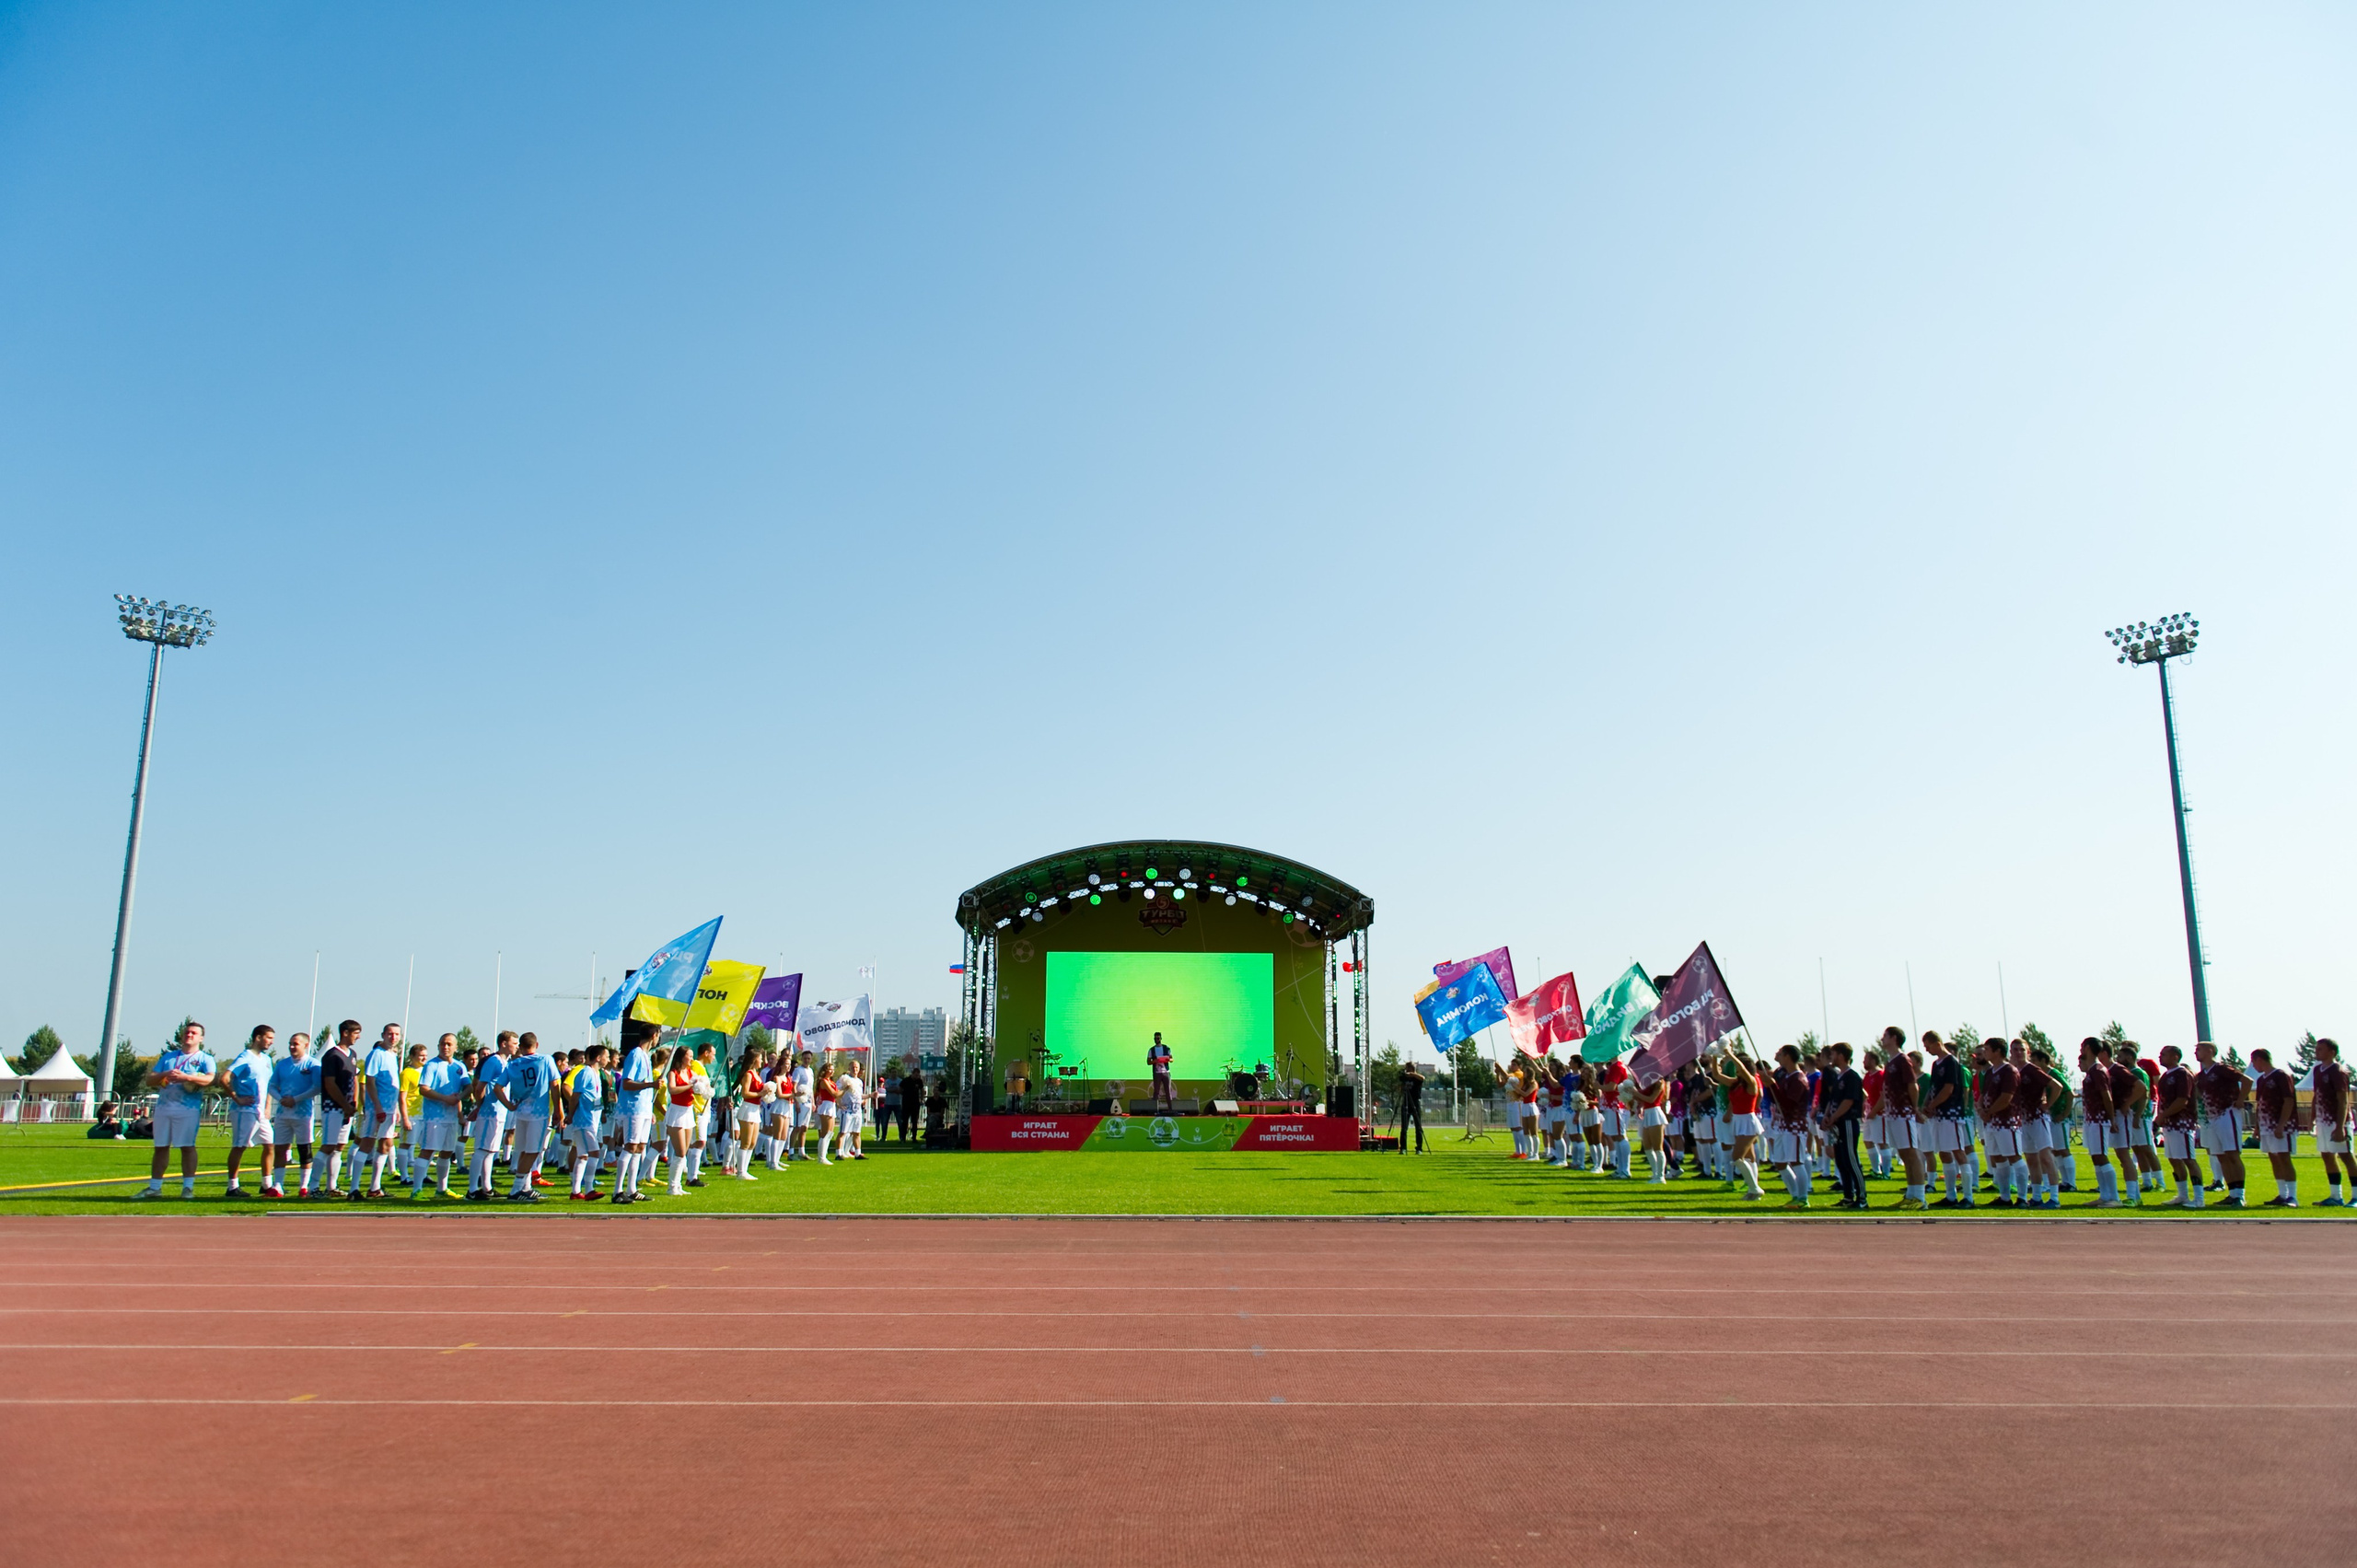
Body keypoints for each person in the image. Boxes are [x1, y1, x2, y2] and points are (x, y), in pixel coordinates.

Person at [140, 1021, 216, 1199]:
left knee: (187, 1147)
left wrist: (186, 1077)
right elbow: (150, 1080)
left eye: (193, 1033)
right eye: (187, 1032)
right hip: (164, 1108)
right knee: (160, 1147)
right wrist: (165, 1075)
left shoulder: (205, 1058)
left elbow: (210, 1079)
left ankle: (187, 1188)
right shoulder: (168, 1057)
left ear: (201, 1038)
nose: (189, 1035)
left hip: (187, 1110)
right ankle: (155, 1188)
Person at [409, 1033, 467, 1200]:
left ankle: (442, 1189)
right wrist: (445, 1098)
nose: (445, 1047)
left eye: (449, 1044)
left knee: (447, 1152)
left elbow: (468, 1087)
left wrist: (459, 1099)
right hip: (434, 1117)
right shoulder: (431, 1065)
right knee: (427, 1151)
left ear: (455, 1047)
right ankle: (416, 1190)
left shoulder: (458, 1066)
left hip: (451, 1117)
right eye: (442, 1044)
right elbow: (423, 1089)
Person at [501, 1033, 557, 1202]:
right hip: (538, 1112)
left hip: (521, 1111)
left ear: (520, 1047)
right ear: (536, 1045)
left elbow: (498, 1087)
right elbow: (555, 1085)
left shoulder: (513, 1064)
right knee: (533, 1151)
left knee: (523, 1150)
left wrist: (508, 1105)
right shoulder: (545, 1060)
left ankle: (526, 1187)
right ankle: (516, 1188)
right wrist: (558, 1111)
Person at [353, 1024, 406, 1201]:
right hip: (377, 1108)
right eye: (390, 1034)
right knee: (367, 1144)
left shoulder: (393, 1055)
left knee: (386, 1145)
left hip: (390, 1108)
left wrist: (396, 1108)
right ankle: (354, 1188)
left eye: (396, 1034)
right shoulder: (377, 1054)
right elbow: (370, 1082)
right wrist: (377, 1107)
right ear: (383, 1035)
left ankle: (374, 1187)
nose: (393, 1037)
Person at [222, 1026, 276, 1199]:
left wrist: (268, 1106)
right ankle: (232, 1187)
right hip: (244, 1110)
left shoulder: (267, 1060)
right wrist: (237, 1097)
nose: (271, 1041)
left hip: (260, 1112)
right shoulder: (245, 1057)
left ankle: (266, 1185)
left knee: (270, 1145)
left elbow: (268, 1084)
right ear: (258, 1038)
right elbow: (224, 1078)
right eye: (268, 1037)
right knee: (240, 1146)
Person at [1705, 1048, 1766, 1200]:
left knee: (1737, 1157)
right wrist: (1715, 1057)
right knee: (1749, 1157)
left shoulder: (1751, 1082)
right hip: (1738, 1121)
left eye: (1739, 1070)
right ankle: (1753, 1190)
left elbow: (1743, 1069)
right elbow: (1717, 1075)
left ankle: (1754, 1188)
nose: (1737, 1072)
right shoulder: (1737, 1083)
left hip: (1748, 1121)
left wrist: (1730, 1054)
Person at [2193, 1040, 2248, 1208]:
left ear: (2210, 1051)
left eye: (2199, 1050)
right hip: (2212, 1118)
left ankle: (2240, 1195)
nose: (2196, 1053)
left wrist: (2240, 1100)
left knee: (2232, 1154)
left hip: (2227, 1113)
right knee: (2221, 1156)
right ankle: (2231, 1193)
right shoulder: (2201, 1075)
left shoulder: (2222, 1069)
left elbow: (2247, 1080)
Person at [267, 1031, 320, 1199]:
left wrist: (296, 1099)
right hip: (283, 1114)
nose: (291, 1047)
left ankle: (304, 1186)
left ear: (306, 1045)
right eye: (290, 1044)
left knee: (304, 1149)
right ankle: (278, 1185)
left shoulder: (313, 1064)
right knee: (281, 1148)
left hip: (303, 1114)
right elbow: (272, 1085)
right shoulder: (282, 1065)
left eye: (295, 1044)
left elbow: (317, 1087)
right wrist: (281, 1099)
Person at [310, 1020, 361, 1196]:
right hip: (333, 1107)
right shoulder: (332, 1055)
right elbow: (330, 1084)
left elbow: (354, 1079)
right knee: (328, 1145)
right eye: (356, 1033)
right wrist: (344, 1104)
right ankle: (313, 1187)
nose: (358, 1037)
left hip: (347, 1109)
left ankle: (331, 1186)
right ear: (345, 1033)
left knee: (339, 1146)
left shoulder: (352, 1054)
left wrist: (353, 1103)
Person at [1972, 1041, 2025, 1207]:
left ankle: (2022, 1198)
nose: (1985, 1053)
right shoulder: (1989, 1072)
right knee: (1997, 1158)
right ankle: (2005, 1196)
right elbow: (1984, 1094)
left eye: (1987, 1050)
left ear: (1997, 1051)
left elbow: (2006, 1097)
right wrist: (1981, 1109)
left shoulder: (2009, 1071)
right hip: (1991, 1123)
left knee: (2014, 1157)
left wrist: (1989, 1112)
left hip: (2007, 1122)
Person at [2152, 1045, 2203, 1208]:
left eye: (2164, 1054)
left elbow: (2182, 1100)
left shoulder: (2183, 1074)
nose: (2160, 1057)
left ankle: (2199, 1198)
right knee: (2174, 1159)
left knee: (2189, 1159)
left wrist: (2163, 1115)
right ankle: (2182, 1195)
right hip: (2169, 1125)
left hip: (2182, 1124)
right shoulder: (2166, 1076)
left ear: (2175, 1056)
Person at [1879, 1039, 1926, 1211]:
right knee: (1904, 1154)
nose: (1883, 1039)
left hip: (1903, 1113)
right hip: (1892, 1114)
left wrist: (1914, 1108)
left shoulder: (1902, 1059)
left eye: (1886, 1036)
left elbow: (1912, 1085)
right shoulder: (1890, 1061)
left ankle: (1920, 1197)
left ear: (1893, 1038)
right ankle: (1911, 1194)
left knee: (1912, 1153)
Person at [2250, 1048, 2300, 1208]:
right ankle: (2282, 1194)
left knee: (2284, 1158)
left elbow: (2288, 1100)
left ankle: (2292, 1196)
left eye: (2254, 1061)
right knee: (2274, 1158)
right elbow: (2260, 1104)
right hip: (2266, 1125)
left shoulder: (2281, 1075)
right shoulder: (2261, 1080)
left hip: (2281, 1125)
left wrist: (2281, 1124)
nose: (2253, 1065)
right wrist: (2257, 1126)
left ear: (2260, 1059)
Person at [615, 1023, 659, 1202]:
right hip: (633, 1108)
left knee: (640, 1147)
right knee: (630, 1146)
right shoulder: (635, 1054)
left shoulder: (646, 1056)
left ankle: (632, 1188)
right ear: (654, 1035)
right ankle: (618, 1191)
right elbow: (627, 1082)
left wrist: (650, 1109)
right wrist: (650, 1084)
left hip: (644, 1108)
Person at [466, 1034, 513, 1201]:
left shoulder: (505, 1062)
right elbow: (480, 1086)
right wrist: (481, 1106)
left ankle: (487, 1187)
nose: (516, 1046)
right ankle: (472, 1189)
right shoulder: (493, 1061)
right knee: (481, 1150)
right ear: (504, 1044)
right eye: (514, 1043)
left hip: (499, 1112)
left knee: (491, 1151)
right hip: (490, 1111)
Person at [2306, 1039, 2351, 1207]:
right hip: (2323, 1121)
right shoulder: (2318, 1070)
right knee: (2327, 1155)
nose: (2317, 1052)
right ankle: (2335, 1196)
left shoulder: (2338, 1071)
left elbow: (2343, 1100)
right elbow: (2316, 1095)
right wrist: (2312, 1118)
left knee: (2346, 1156)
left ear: (2332, 1052)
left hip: (2337, 1121)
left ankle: (2355, 1196)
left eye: (2321, 1049)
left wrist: (2340, 1127)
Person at [1819, 1043, 1865, 1209]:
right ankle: (1848, 1196)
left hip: (1847, 1121)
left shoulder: (1852, 1076)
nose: (1831, 1057)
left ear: (1841, 1055)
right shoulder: (1839, 1076)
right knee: (1841, 1160)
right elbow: (1833, 1099)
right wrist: (1826, 1115)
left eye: (1833, 1053)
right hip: (1837, 1123)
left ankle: (1861, 1197)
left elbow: (1848, 1101)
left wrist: (1834, 1117)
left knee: (1851, 1159)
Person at [661, 1045, 702, 1196]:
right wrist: (690, 1085)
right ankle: (672, 1186)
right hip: (676, 1112)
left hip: (688, 1111)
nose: (691, 1059)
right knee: (679, 1151)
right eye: (689, 1056)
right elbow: (672, 1089)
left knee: (684, 1151)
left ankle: (677, 1185)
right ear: (681, 1057)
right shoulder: (673, 1072)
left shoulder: (691, 1073)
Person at [732, 1048, 769, 1179]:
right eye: (760, 1058)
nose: (762, 1061)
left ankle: (745, 1170)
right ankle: (740, 1171)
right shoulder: (748, 1074)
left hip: (755, 1109)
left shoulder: (756, 1074)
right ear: (754, 1060)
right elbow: (745, 1093)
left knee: (753, 1142)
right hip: (747, 1108)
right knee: (746, 1142)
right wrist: (760, 1093)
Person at [1633, 1070, 1672, 1185]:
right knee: (1648, 1147)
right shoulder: (1647, 1081)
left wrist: (1635, 1093)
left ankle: (1661, 1176)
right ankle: (1655, 1173)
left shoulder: (1660, 1082)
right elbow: (1643, 1098)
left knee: (1658, 1147)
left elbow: (1651, 1099)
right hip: (1647, 1113)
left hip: (1655, 1113)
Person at [839, 1054, 868, 1159]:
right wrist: (839, 1103)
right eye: (853, 1067)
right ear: (849, 1068)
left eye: (857, 1068)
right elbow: (837, 1092)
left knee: (856, 1132)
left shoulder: (859, 1082)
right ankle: (839, 1153)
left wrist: (870, 1096)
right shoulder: (844, 1079)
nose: (855, 1069)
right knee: (843, 1132)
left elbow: (859, 1096)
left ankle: (857, 1153)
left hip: (857, 1110)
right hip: (847, 1110)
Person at [813, 1058, 841, 1164]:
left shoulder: (831, 1081)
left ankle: (824, 1155)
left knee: (830, 1132)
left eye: (833, 1069)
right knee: (825, 1132)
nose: (832, 1071)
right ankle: (821, 1157)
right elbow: (834, 1094)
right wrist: (845, 1089)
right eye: (830, 1069)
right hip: (826, 1105)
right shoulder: (823, 1081)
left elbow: (837, 1095)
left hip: (831, 1105)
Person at [1397, 1059, 1425, 1153]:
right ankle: (1403, 1147)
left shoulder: (1417, 1079)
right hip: (1406, 1102)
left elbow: (1423, 1078)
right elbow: (1400, 1085)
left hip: (1415, 1102)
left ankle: (1419, 1148)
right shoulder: (1406, 1078)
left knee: (1418, 1127)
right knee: (1404, 1127)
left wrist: (1412, 1075)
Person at [1148, 1032, 1175, 1113]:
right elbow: (1148, 1062)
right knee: (1156, 1091)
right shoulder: (1151, 1050)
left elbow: (1172, 1059)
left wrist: (1168, 1060)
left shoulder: (1166, 1048)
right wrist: (1155, 1061)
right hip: (1157, 1072)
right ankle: (1154, 1109)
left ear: (1161, 1038)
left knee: (1168, 1091)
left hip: (1166, 1072)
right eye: (1155, 1038)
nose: (1157, 1040)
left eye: (1158, 1038)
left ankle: (1170, 1109)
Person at [900, 1059, 925, 1143]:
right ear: (913, 1073)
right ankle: (903, 1138)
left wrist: (922, 1099)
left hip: (915, 1103)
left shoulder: (919, 1081)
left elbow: (922, 1090)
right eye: (916, 1074)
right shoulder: (906, 1080)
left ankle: (914, 1138)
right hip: (906, 1103)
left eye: (918, 1075)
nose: (917, 1076)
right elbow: (900, 1089)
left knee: (915, 1121)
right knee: (905, 1121)